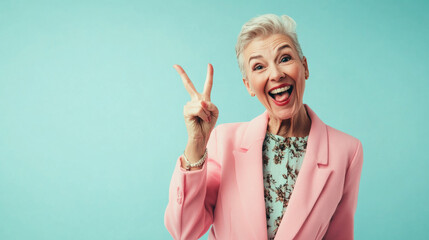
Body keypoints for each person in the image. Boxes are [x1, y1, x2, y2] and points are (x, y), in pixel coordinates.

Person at [164, 14, 363, 240]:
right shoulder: (224, 140)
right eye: (259, 66)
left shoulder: (347, 151)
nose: (276, 74)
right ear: (249, 85)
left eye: (285, 58)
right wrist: (196, 144)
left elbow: (340, 235)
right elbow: (183, 230)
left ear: (305, 67)